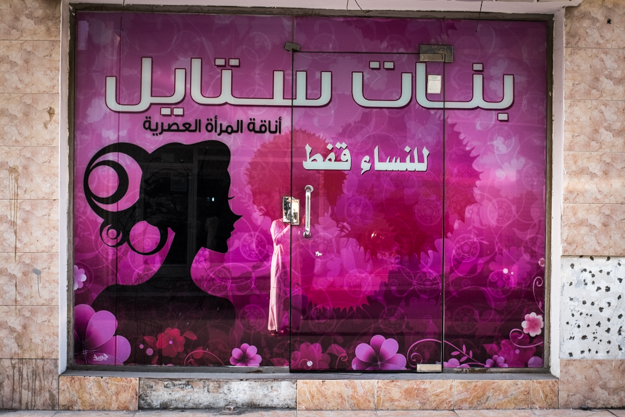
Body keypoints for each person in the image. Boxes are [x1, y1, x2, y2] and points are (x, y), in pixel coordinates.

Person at [85, 140, 240, 365]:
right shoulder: (217, 311)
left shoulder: (114, 300)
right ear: (192, 214)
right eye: (220, 202)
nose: (233, 217)